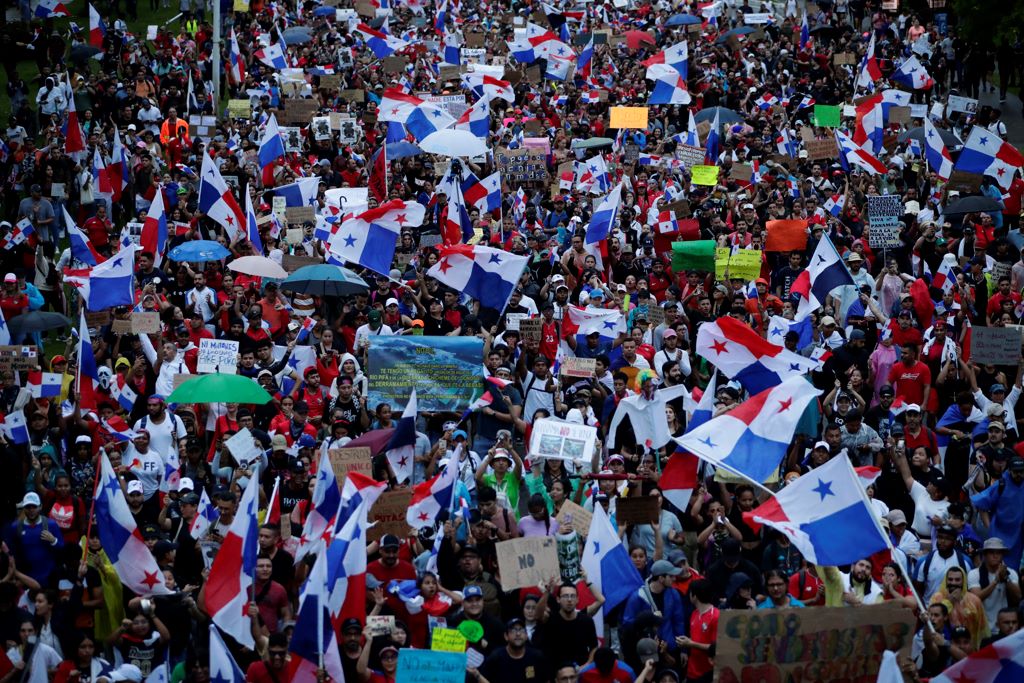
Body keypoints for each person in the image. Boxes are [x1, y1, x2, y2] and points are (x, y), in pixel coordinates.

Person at [476, 617, 551, 683]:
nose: (518, 634)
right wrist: (476, 674)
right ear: (506, 636)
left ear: (526, 635)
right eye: (513, 630)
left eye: (521, 630)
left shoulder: (537, 657)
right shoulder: (496, 657)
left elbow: (546, 680)